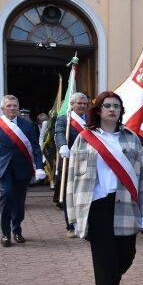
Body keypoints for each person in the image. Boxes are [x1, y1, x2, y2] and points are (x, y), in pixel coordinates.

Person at [66, 91, 143, 285]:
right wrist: (72, 215)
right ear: (99, 110)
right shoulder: (84, 139)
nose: (112, 110)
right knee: (104, 262)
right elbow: (72, 179)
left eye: (116, 106)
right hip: (97, 206)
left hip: (126, 204)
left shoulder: (132, 138)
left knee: (126, 255)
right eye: (107, 106)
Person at [0, 95, 46, 247]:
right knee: (6, 195)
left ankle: (17, 230)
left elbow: (35, 146)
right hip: (4, 168)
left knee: (19, 201)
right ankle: (5, 234)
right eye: (9, 106)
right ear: (3, 108)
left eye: (15, 105)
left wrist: (39, 166)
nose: (12, 108)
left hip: (22, 167)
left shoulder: (27, 124)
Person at [55, 92, 89, 237]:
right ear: (72, 104)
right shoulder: (64, 120)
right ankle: (71, 226)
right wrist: (62, 145)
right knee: (71, 194)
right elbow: (59, 133)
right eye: (79, 103)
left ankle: (86, 224)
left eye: (84, 104)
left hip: (89, 161)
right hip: (70, 161)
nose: (81, 106)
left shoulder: (91, 120)